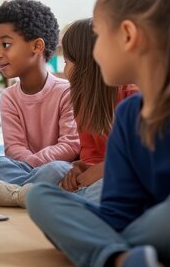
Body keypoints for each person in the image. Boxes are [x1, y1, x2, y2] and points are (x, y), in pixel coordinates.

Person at [27, 0, 170, 267]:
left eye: (97, 36)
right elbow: (117, 214)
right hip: (145, 231)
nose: (93, 52)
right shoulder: (128, 115)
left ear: (127, 35)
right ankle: (121, 259)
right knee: (41, 198)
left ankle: (109, 253)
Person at [0, 0, 80, 207]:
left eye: (6, 45)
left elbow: (71, 145)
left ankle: (16, 194)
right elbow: (14, 148)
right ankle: (31, 193)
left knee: (57, 169)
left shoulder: (66, 92)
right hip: (25, 167)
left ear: (37, 46)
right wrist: (32, 167)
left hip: (55, 167)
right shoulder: (9, 96)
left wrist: (36, 165)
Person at [56, 18, 138, 204]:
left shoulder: (133, 95)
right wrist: (81, 168)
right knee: (53, 171)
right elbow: (90, 153)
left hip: (130, 178)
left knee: (105, 188)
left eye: (68, 61)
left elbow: (140, 158)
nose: (65, 68)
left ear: (88, 62)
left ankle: (67, 203)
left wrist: (100, 172)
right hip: (100, 180)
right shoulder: (83, 100)